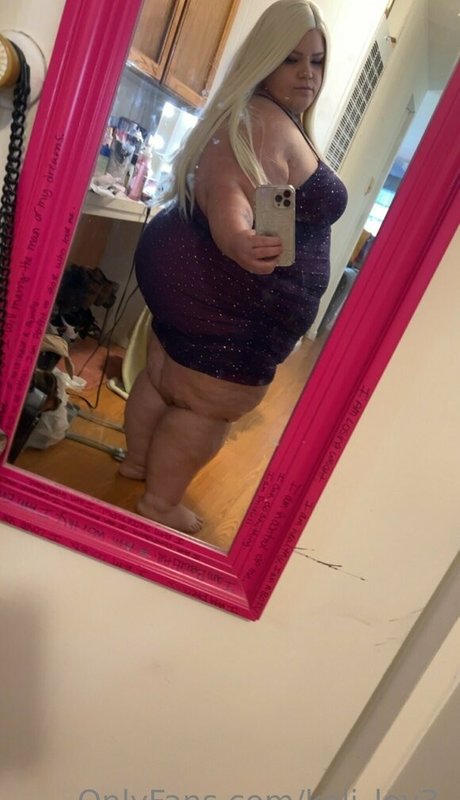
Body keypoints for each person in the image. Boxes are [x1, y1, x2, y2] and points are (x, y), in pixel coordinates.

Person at [119, 0, 348, 534]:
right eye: (291, 59)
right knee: (205, 407)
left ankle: (137, 464)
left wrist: (241, 235)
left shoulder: (258, 115)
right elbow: (230, 189)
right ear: (264, 59)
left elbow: (246, 188)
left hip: (200, 288)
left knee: (164, 380)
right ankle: (160, 503)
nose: (307, 74)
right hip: (227, 301)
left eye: (316, 61)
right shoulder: (262, 121)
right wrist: (239, 238)